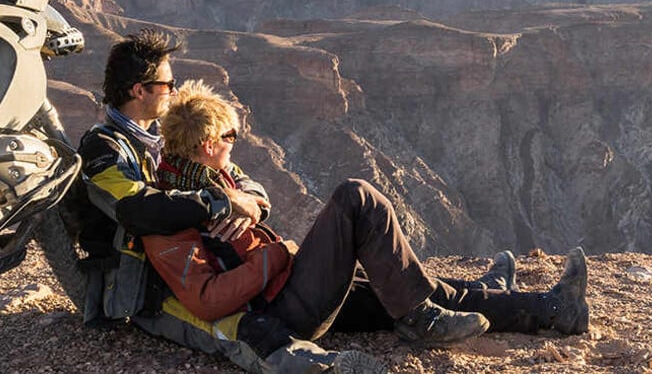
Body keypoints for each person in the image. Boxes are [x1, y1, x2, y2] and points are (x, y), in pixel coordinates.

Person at [141, 79, 589, 350]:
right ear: (206, 145)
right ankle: (422, 319)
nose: (237, 141)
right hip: (282, 311)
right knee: (356, 196)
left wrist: (257, 211)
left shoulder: (212, 180)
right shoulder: (172, 214)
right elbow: (206, 299)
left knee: (414, 289)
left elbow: (253, 195)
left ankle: (553, 309)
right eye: (231, 135)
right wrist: (279, 256)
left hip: (289, 290)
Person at [74, 28, 388, 373]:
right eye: (167, 84)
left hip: (213, 263)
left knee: (363, 295)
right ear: (139, 91)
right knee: (243, 331)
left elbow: (241, 180)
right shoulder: (102, 149)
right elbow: (138, 209)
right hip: (152, 291)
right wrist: (220, 202)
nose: (174, 91)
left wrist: (250, 201)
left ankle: (442, 302)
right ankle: (326, 368)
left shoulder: (165, 137)